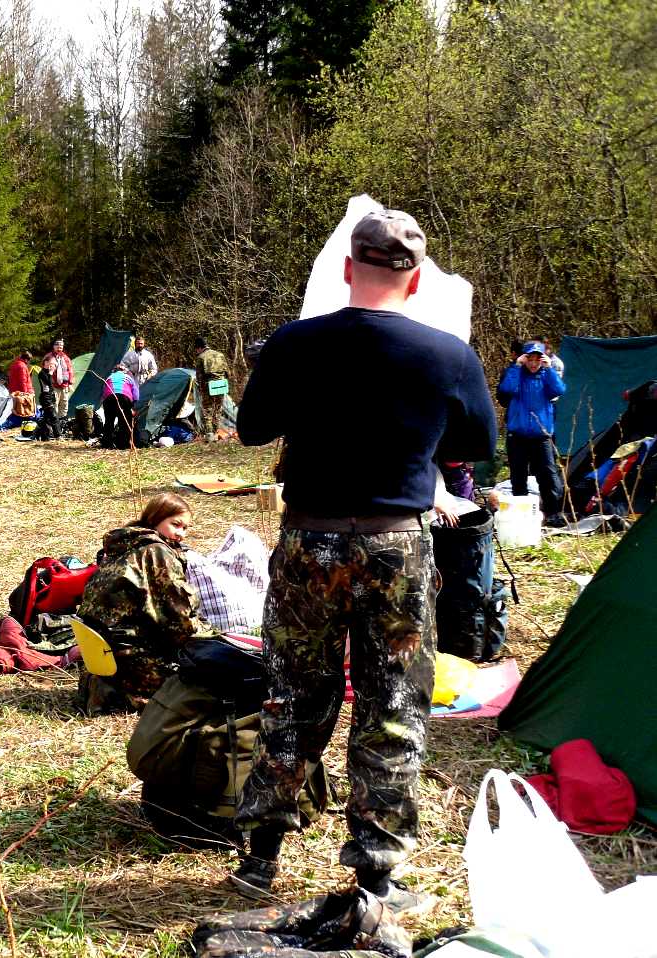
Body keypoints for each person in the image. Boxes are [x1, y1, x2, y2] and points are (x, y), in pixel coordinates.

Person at [232, 209, 497, 911]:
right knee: (392, 703)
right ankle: (378, 869)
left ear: (347, 268)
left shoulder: (293, 344)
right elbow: (473, 442)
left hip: (308, 540)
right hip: (395, 544)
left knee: (293, 694)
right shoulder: (446, 355)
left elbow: (251, 427)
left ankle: (258, 856)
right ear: (413, 281)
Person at [77, 492, 219, 712]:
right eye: (175, 524)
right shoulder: (157, 552)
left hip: (108, 653)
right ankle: (121, 694)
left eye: (185, 528)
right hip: (130, 658)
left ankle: (107, 686)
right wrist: (216, 638)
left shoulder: (126, 544)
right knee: (210, 680)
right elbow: (179, 621)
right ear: (155, 518)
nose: (181, 534)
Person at [497, 341, 566, 523]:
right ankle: (521, 513)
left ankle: (553, 514)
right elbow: (506, 389)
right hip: (517, 436)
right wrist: (516, 366)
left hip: (541, 436)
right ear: (524, 359)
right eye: (530, 359)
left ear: (542, 359)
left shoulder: (546, 376)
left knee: (548, 476)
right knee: (518, 476)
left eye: (537, 359)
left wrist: (549, 369)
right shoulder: (516, 374)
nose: (533, 363)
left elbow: (559, 390)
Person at [193, 337, 230, 442]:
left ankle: (209, 435)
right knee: (218, 409)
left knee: (207, 410)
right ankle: (216, 431)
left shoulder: (201, 357)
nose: (196, 351)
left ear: (199, 348)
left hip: (209, 385)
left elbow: (199, 376)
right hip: (222, 383)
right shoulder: (220, 355)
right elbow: (228, 372)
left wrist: (201, 389)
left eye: (196, 349)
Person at [100, 363, 138, 449]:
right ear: (124, 371)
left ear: (114, 371)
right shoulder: (128, 378)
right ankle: (122, 444)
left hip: (109, 398)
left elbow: (103, 393)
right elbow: (136, 394)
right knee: (124, 422)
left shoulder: (109, 378)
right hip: (124, 398)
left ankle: (107, 444)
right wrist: (133, 405)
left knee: (109, 422)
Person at [43, 339, 74, 420]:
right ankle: (55, 421)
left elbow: (70, 370)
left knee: (64, 404)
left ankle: (62, 421)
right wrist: (48, 382)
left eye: (61, 345)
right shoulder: (49, 357)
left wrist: (70, 383)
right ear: (54, 346)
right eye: (57, 345)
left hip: (64, 385)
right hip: (54, 385)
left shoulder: (65, 357)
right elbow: (44, 371)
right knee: (54, 404)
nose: (59, 347)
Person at [35, 357, 61, 441]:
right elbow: (48, 383)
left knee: (46, 418)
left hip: (50, 397)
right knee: (54, 416)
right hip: (46, 398)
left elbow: (51, 386)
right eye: (52, 363)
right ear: (46, 362)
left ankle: (43, 436)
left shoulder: (47, 373)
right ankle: (58, 436)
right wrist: (51, 373)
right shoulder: (42, 373)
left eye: (54, 363)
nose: (53, 365)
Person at [7, 349, 35, 419]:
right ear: (26, 359)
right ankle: (24, 421)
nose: (29, 362)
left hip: (14, 390)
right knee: (23, 409)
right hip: (22, 391)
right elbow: (23, 381)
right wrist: (26, 394)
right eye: (29, 360)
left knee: (15, 407)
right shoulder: (22, 366)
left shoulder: (15, 364)